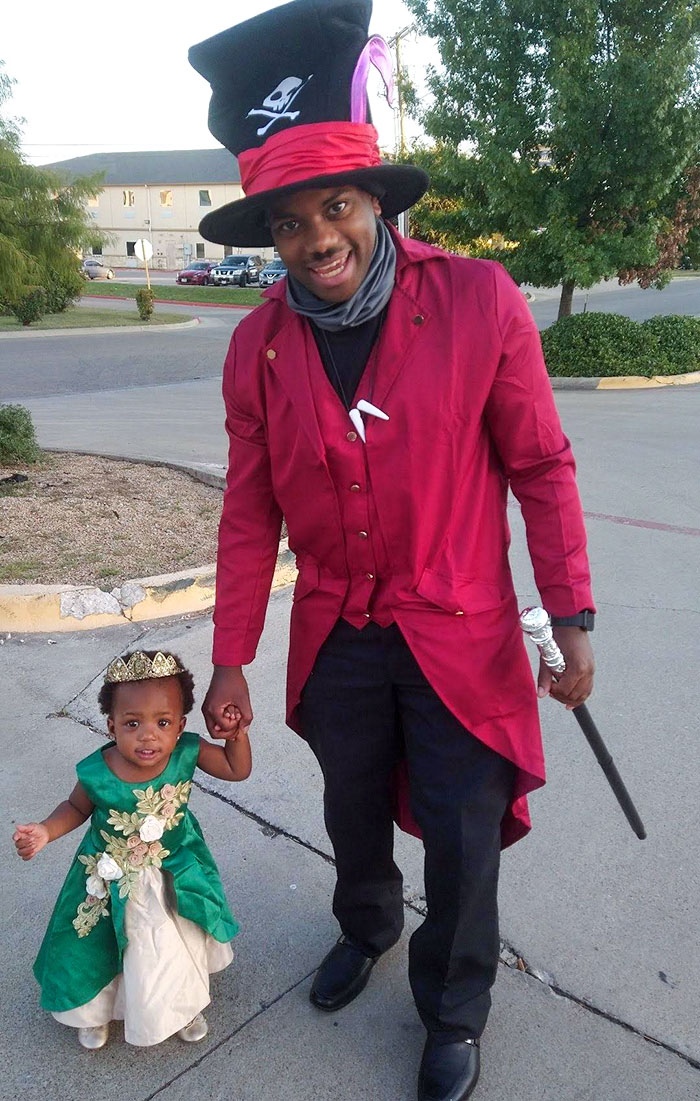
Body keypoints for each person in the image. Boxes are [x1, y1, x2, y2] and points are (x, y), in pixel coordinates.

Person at [189, 2, 595, 1098]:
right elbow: (248, 513)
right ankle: (363, 926)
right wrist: (231, 655)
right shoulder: (256, 350)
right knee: (349, 809)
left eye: (335, 206)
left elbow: (541, 469)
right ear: (267, 236)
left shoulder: (475, 300)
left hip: (460, 632)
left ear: (373, 199)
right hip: (338, 635)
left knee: (463, 837)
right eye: (286, 222)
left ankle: (453, 1008)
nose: (316, 238)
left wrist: (571, 618)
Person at [13, 649, 250, 1050]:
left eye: (162, 722)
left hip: (175, 869)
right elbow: (75, 808)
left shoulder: (187, 752)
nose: (148, 735)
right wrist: (45, 831)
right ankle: (94, 1010)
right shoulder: (97, 770)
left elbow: (236, 769)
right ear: (111, 725)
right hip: (108, 872)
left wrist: (236, 735)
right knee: (98, 943)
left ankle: (181, 1006)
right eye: (132, 723)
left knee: (170, 943)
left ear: (180, 726)